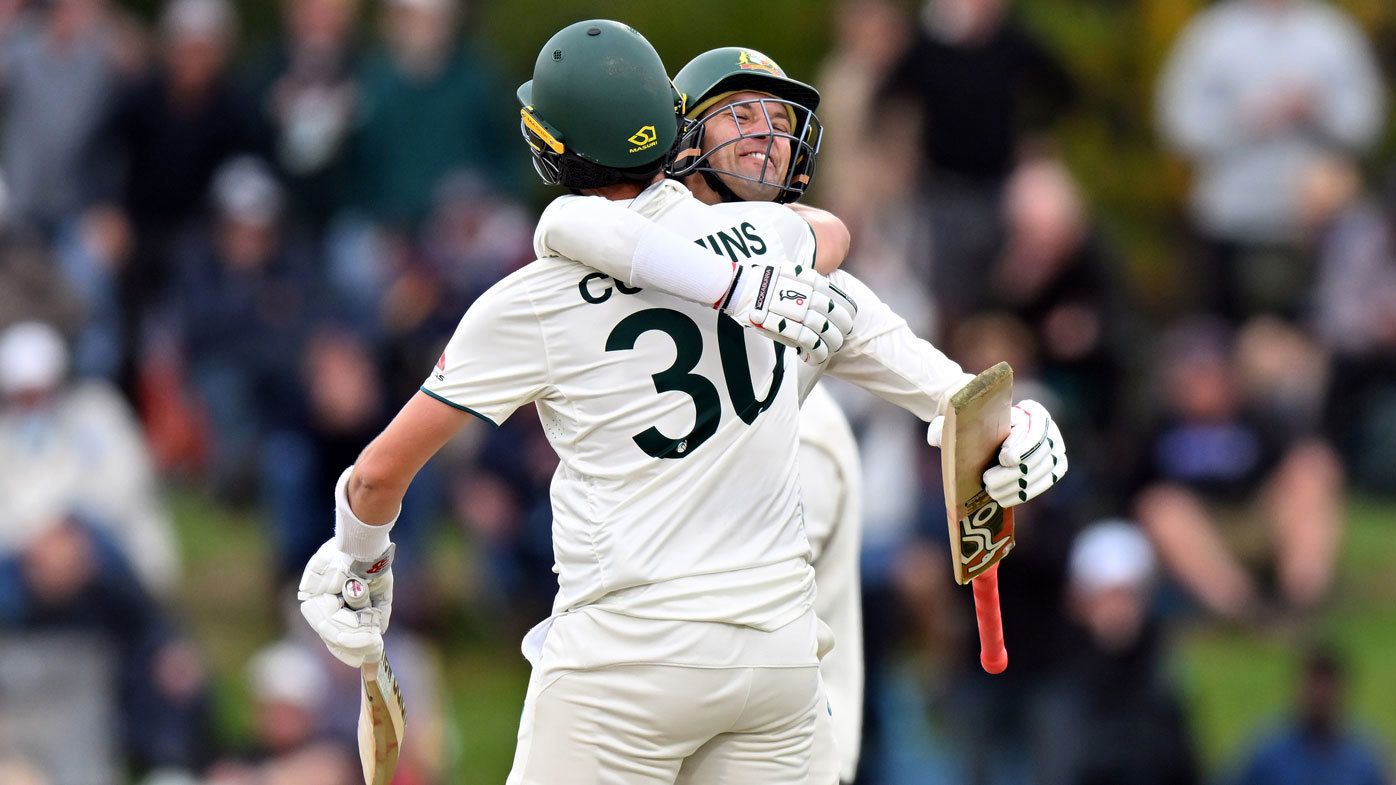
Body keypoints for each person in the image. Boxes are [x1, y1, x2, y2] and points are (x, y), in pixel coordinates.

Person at [299, 20, 1066, 784]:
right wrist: (1024, 422)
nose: (763, 140)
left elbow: (374, 479)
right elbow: (958, 393)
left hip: (626, 658)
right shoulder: (781, 244)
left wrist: (360, 564)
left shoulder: (532, 297)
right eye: (740, 117)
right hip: (776, 656)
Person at [1156, 0, 1386, 322]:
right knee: (1228, 336)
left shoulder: (1332, 33)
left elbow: (1368, 124)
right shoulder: (1213, 34)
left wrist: (1317, 110)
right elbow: (1176, 124)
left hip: (1317, 230)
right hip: (1231, 222)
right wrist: (1244, 119)